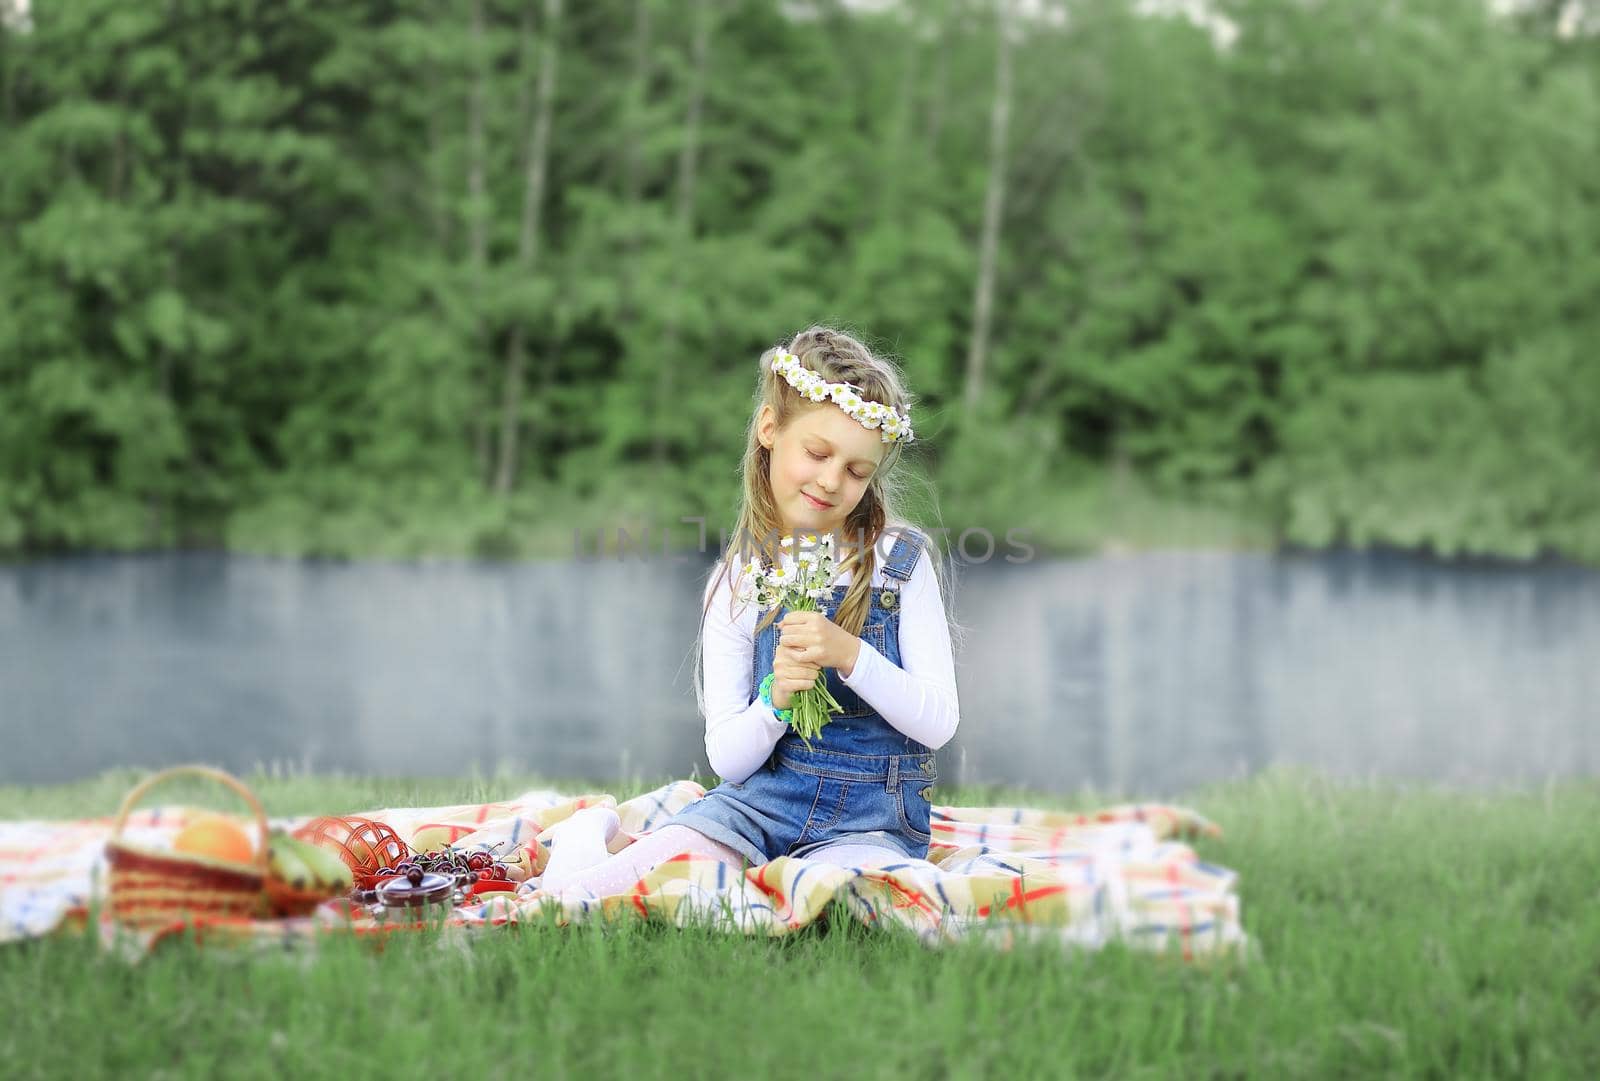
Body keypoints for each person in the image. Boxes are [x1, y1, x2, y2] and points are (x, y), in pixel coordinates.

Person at [526, 325, 962, 904]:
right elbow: (729, 760)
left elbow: (939, 722)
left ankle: (703, 859)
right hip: (757, 808)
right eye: (816, 453)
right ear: (769, 429)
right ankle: (591, 842)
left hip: (870, 822)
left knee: (851, 898)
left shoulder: (898, 565)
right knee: (591, 896)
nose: (833, 481)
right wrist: (777, 699)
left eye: (858, 471)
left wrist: (850, 655)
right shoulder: (739, 582)